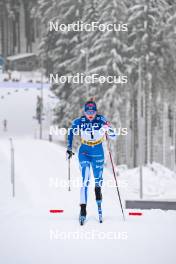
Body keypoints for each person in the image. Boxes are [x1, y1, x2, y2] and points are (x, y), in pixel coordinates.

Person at [67, 99, 116, 225]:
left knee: (98, 180)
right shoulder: (79, 121)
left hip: (98, 151)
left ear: (96, 112)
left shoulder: (101, 120)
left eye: (92, 111)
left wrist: (108, 128)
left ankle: (99, 200)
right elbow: (70, 132)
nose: (90, 114)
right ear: (84, 111)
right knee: (85, 180)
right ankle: (83, 210)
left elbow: (114, 136)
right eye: (87, 111)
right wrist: (69, 148)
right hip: (84, 151)